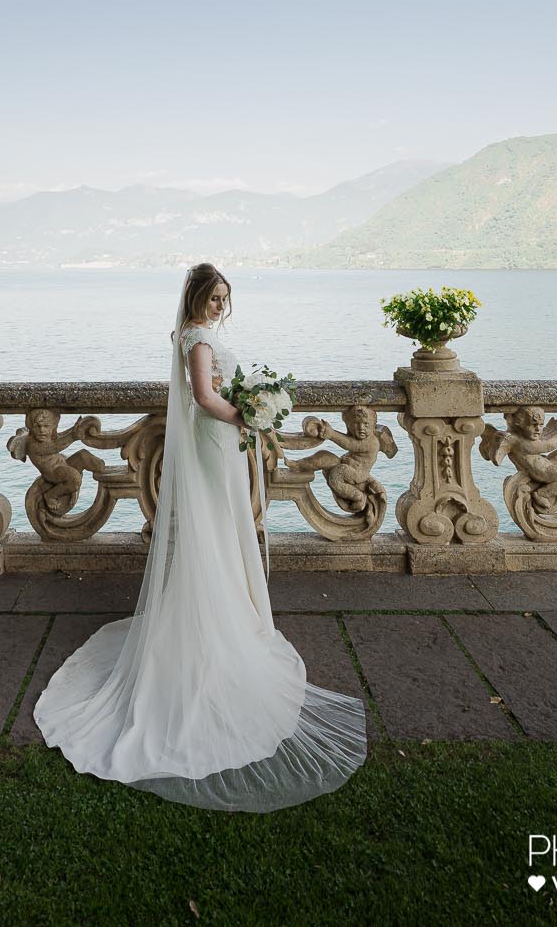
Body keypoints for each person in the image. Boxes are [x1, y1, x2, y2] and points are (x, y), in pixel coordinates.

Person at [32, 262, 368, 810]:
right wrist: (250, 418)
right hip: (217, 439)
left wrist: (249, 411)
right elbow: (205, 397)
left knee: (222, 528)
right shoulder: (197, 339)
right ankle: (213, 626)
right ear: (196, 298)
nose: (220, 306)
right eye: (214, 297)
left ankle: (226, 611)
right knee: (216, 529)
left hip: (221, 441)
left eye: (225, 297)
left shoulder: (199, 334)